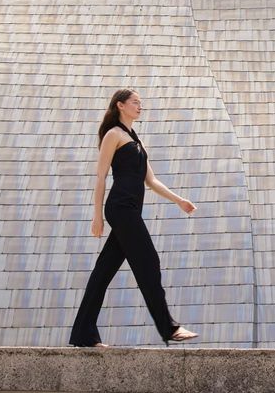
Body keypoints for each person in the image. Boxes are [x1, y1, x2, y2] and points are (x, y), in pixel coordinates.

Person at [69, 88, 198, 347]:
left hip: (130, 210)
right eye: (135, 102)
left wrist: (178, 200)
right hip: (120, 208)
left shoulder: (136, 140)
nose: (140, 107)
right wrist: (97, 216)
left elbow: (151, 181)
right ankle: (168, 327)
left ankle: (83, 334)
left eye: (141, 103)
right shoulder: (113, 135)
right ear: (121, 105)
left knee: (102, 273)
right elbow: (100, 177)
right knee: (148, 261)